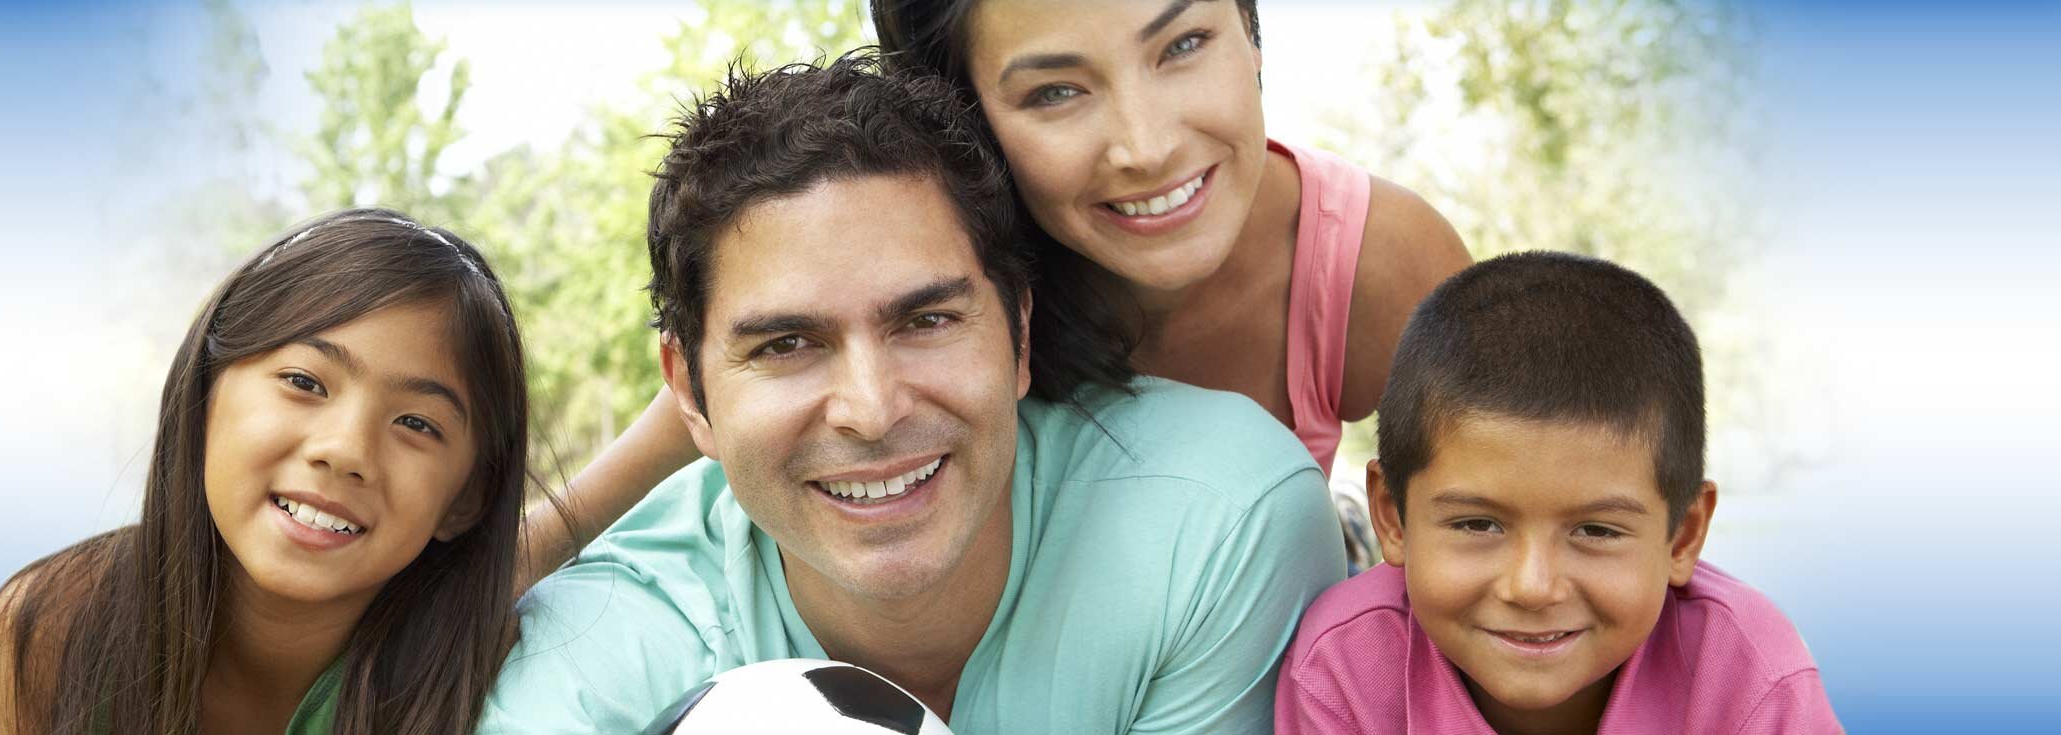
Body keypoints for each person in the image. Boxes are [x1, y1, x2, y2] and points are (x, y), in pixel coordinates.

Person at [479, 53, 1342, 733]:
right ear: (691, 394)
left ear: (1020, 338)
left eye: (926, 320)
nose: (873, 406)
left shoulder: (1220, 521)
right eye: (787, 344)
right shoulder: (603, 655)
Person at [517, 0, 1471, 587]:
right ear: (968, 116)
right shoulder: (926, 268)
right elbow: (640, 464)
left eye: (1183, 43)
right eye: (1056, 92)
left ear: (1253, 35)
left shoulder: (1377, 263)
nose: (1145, 144)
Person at [0, 209, 532, 735]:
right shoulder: (52, 625)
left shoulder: (505, 686)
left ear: (467, 499)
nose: (346, 451)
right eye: (304, 382)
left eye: (416, 422)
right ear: (204, 397)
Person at [1276, 252, 1842, 734]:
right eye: (1478, 524)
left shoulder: (1749, 677)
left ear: (1683, 535)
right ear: (1393, 516)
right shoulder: (1344, 667)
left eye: (1596, 530)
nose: (1532, 587)